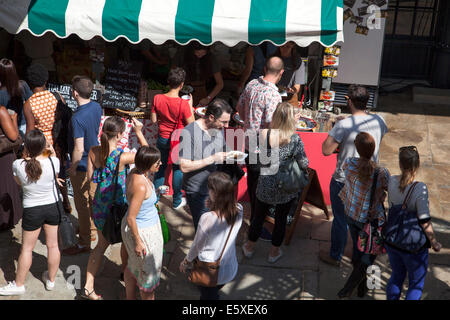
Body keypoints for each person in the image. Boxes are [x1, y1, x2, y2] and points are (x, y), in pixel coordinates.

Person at [80, 116, 148, 300]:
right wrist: (139, 132)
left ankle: (88, 286)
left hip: (101, 206)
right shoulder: (123, 157)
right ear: (119, 135)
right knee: (127, 242)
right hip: (119, 207)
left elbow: (92, 178)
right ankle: (125, 274)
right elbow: (149, 153)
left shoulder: (93, 152)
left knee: (100, 247)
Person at [320, 85, 388, 267]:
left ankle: (336, 256)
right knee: (361, 219)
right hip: (368, 179)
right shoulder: (379, 121)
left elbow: (326, 150)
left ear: (349, 101)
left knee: (341, 220)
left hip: (344, 180)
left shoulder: (343, 126)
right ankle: (360, 255)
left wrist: (337, 130)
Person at [242, 102, 308, 263]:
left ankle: (249, 248)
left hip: (265, 182)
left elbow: (258, 156)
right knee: (281, 220)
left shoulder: (264, 134)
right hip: (284, 185)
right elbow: (304, 163)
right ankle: (273, 252)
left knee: (257, 217)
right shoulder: (295, 139)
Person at [0, 130, 61, 296]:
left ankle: (19, 283)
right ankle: (51, 280)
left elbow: (18, 182)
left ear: (26, 147)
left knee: (27, 248)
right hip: (52, 207)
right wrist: (51, 149)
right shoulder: (54, 161)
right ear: (44, 145)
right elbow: (54, 175)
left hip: (33, 209)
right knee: (53, 245)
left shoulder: (18, 165)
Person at [336, 132, 389, 299]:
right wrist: (382, 196)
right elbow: (388, 188)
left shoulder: (349, 163)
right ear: (373, 149)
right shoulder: (381, 172)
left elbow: (349, 177)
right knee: (369, 256)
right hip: (371, 220)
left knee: (358, 250)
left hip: (351, 214)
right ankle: (350, 287)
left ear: (357, 149)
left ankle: (360, 288)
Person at [385, 146, 442, 300]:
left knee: (396, 276)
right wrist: (434, 242)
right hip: (413, 247)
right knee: (416, 283)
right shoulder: (420, 188)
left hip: (393, 240)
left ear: (400, 163)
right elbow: (424, 220)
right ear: (417, 165)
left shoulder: (391, 181)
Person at [236, 56, 284, 234]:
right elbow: (272, 124)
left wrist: (250, 121)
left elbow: (239, 110)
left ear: (264, 68)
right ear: (281, 73)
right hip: (263, 146)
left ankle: (255, 220)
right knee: (262, 189)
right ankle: (257, 227)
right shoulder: (273, 95)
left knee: (253, 183)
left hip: (249, 143)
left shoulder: (251, 85)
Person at [179, 172, 243, 300]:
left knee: (208, 296)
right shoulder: (239, 209)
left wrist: (186, 262)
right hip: (229, 267)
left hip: (208, 270)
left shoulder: (207, 218)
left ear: (214, 193)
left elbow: (197, 246)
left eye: (209, 188)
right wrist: (214, 205)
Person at [23, 63, 72, 214]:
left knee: (45, 173)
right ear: (46, 81)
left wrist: (25, 151)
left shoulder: (29, 104)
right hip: (58, 144)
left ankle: (48, 204)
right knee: (60, 172)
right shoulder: (57, 97)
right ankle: (65, 201)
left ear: (30, 84)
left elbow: (30, 131)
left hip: (42, 146)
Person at [178, 98, 231, 231]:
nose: (226, 126)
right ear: (211, 117)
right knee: (204, 230)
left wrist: (230, 154)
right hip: (197, 191)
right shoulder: (189, 132)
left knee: (215, 226)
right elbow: (184, 166)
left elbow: (221, 147)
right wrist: (212, 158)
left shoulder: (218, 128)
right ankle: (201, 252)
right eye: (224, 122)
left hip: (215, 187)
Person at [64, 75, 103, 255]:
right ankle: (92, 231)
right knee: (91, 199)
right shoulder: (96, 106)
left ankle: (84, 242)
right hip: (95, 160)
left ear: (74, 93)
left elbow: (78, 148)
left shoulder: (76, 118)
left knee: (81, 204)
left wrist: (72, 166)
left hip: (81, 165)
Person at [121, 146, 164, 300]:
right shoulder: (140, 185)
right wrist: (138, 242)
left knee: (133, 266)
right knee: (148, 279)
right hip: (143, 233)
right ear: (147, 164)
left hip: (140, 226)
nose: (160, 164)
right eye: (157, 163)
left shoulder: (135, 172)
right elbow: (132, 217)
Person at [151, 67, 195, 210]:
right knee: (177, 169)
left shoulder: (157, 98)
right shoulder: (183, 104)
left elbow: (153, 120)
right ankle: (176, 202)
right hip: (178, 140)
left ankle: (155, 199)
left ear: (168, 82)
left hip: (162, 138)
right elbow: (192, 124)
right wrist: (190, 105)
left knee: (160, 167)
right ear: (182, 84)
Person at [173, 42, 224, 107]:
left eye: (203, 53)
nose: (200, 55)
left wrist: (208, 98)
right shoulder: (182, 54)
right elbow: (173, 73)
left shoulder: (211, 58)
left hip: (201, 91)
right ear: (191, 50)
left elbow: (220, 84)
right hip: (182, 90)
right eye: (197, 53)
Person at [0, 106, 22, 230]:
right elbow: (14, 137)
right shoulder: (1, 111)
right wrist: (14, 119)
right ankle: (5, 221)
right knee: (5, 187)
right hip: (3, 157)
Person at [0, 58, 33, 136]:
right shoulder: (22, 85)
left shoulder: (1, 93)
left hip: (9, 128)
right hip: (25, 124)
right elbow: (32, 102)